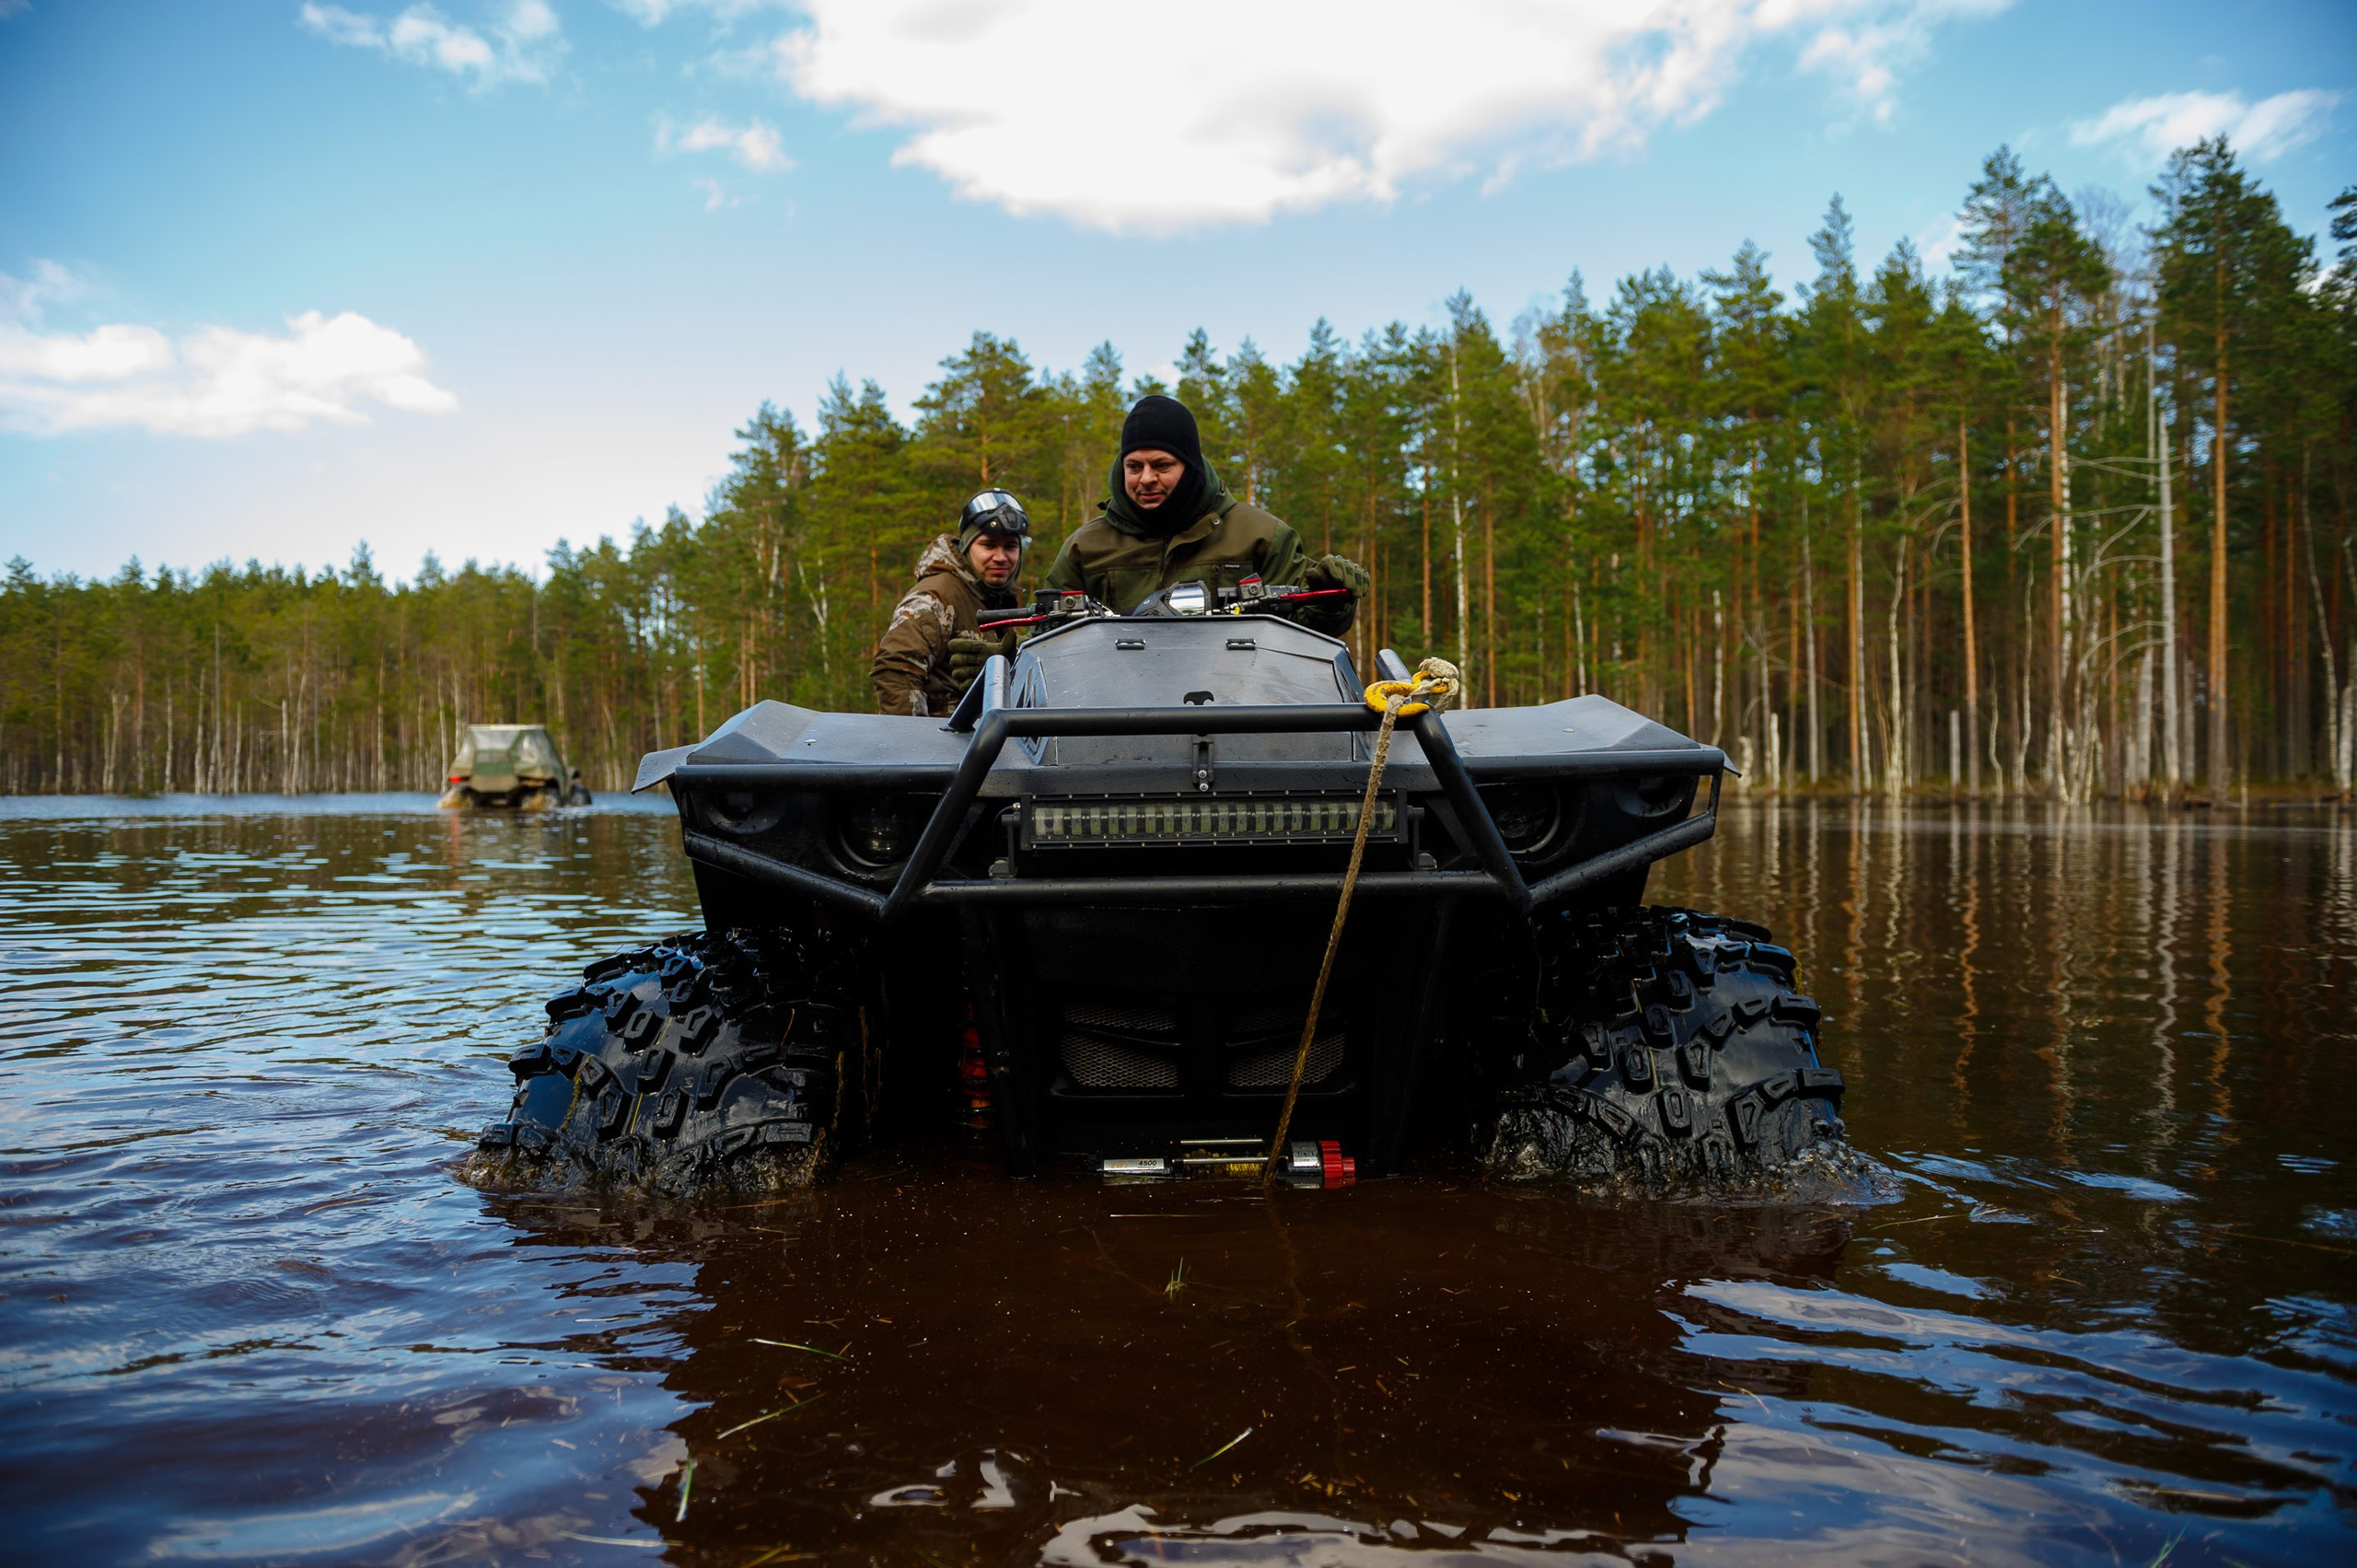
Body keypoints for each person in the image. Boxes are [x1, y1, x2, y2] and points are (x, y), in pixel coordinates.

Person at [1043, 395, 1368, 634]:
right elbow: (1046, 638)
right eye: (1134, 466)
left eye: (1161, 465)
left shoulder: (1262, 536)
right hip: (1110, 717)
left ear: (1191, 466)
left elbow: (1312, 632)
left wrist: (1332, 600)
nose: (1145, 479)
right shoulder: (1084, 548)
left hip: (1243, 711)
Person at [869, 489, 1030, 716]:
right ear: (967, 546)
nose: (1001, 557)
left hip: (983, 739)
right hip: (946, 743)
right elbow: (894, 669)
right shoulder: (937, 596)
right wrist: (913, 743)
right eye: (989, 545)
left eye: (1010, 547)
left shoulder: (996, 596)